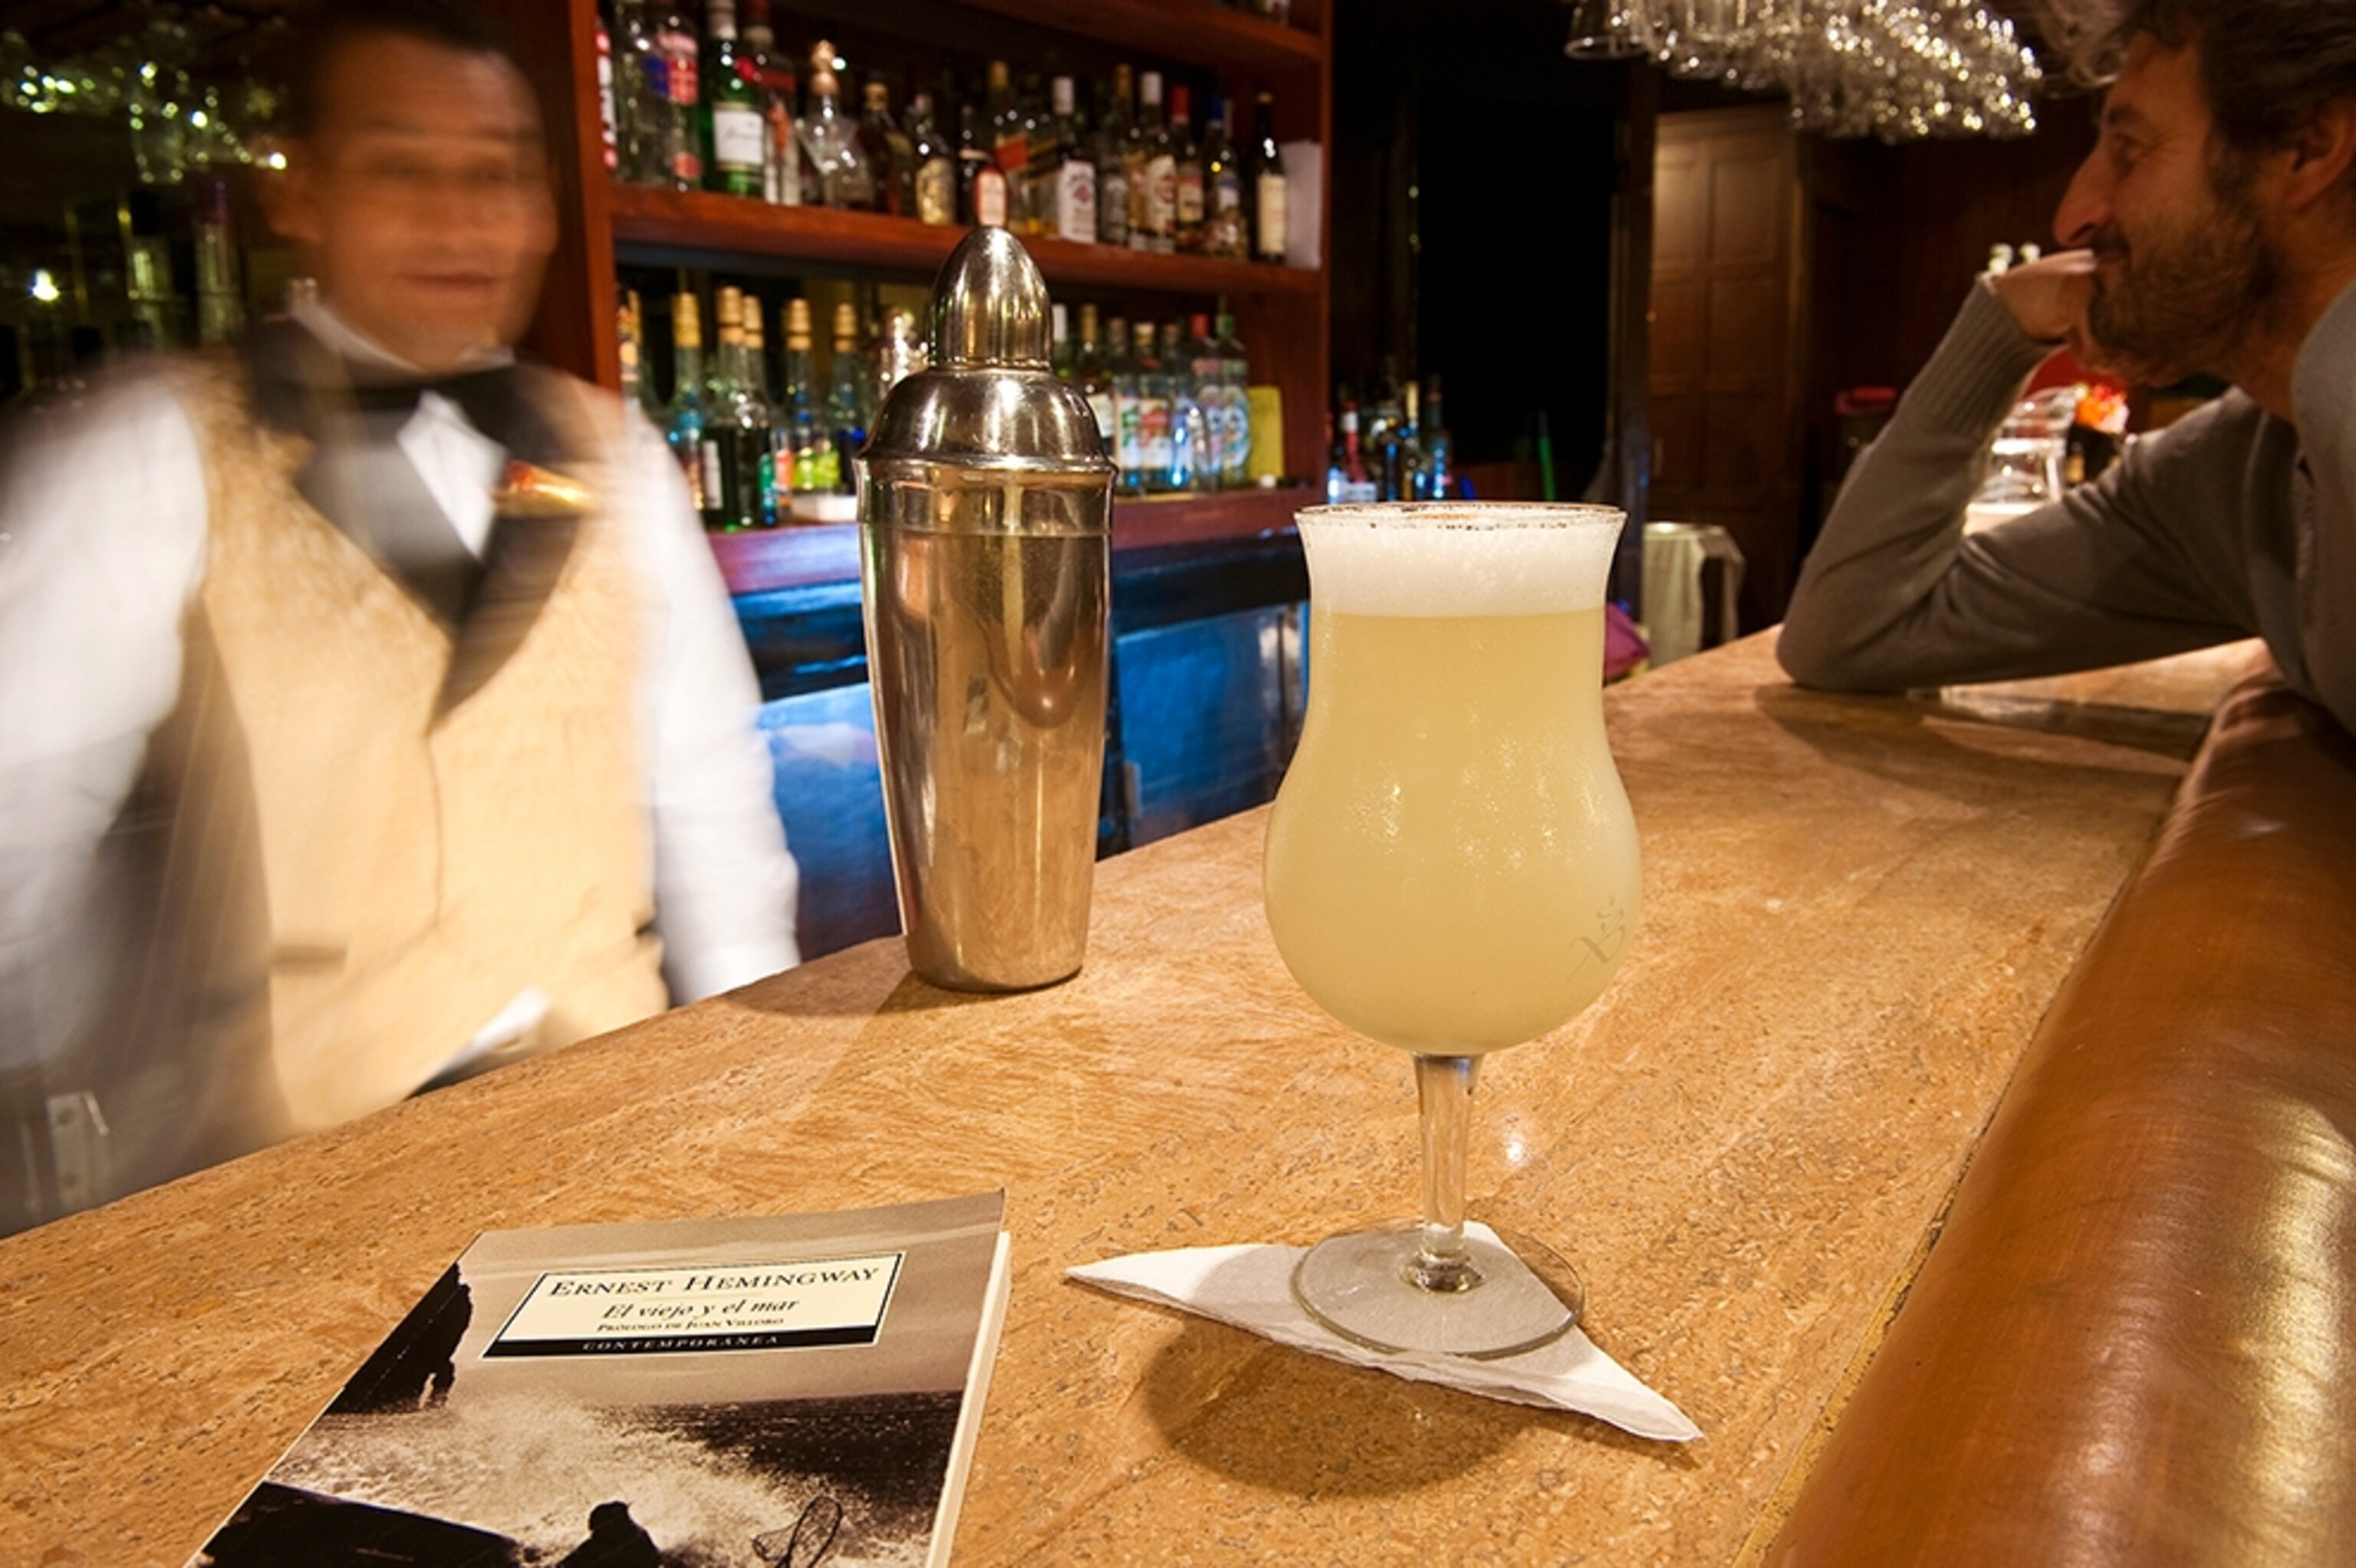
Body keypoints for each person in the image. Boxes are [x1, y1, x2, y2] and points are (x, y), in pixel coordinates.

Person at [0, 1, 798, 1232]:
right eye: (400, 169)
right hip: (292, 1193)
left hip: (618, 1160)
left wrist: (761, 1111)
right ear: (299, 193)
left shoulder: (618, 452)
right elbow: (19, 830)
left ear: (542, 206)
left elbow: (713, 813)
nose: (460, 221)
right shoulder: (151, 446)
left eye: (494, 176)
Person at [1778, 0, 2356, 738]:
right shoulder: (2236, 480)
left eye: (2131, 149)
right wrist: (1998, 331)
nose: (2074, 216)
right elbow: (1851, 634)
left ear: (2308, 146)